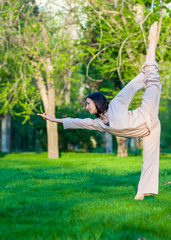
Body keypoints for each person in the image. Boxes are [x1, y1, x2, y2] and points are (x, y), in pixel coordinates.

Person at [38, 22, 161, 200]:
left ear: (97, 102)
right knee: (148, 159)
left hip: (147, 113)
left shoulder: (116, 103)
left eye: (88, 103)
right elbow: (75, 122)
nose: (86, 107)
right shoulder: (97, 124)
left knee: (153, 78)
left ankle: (152, 43)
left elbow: (132, 87)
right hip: (147, 131)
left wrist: (145, 76)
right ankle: (141, 194)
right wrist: (53, 119)